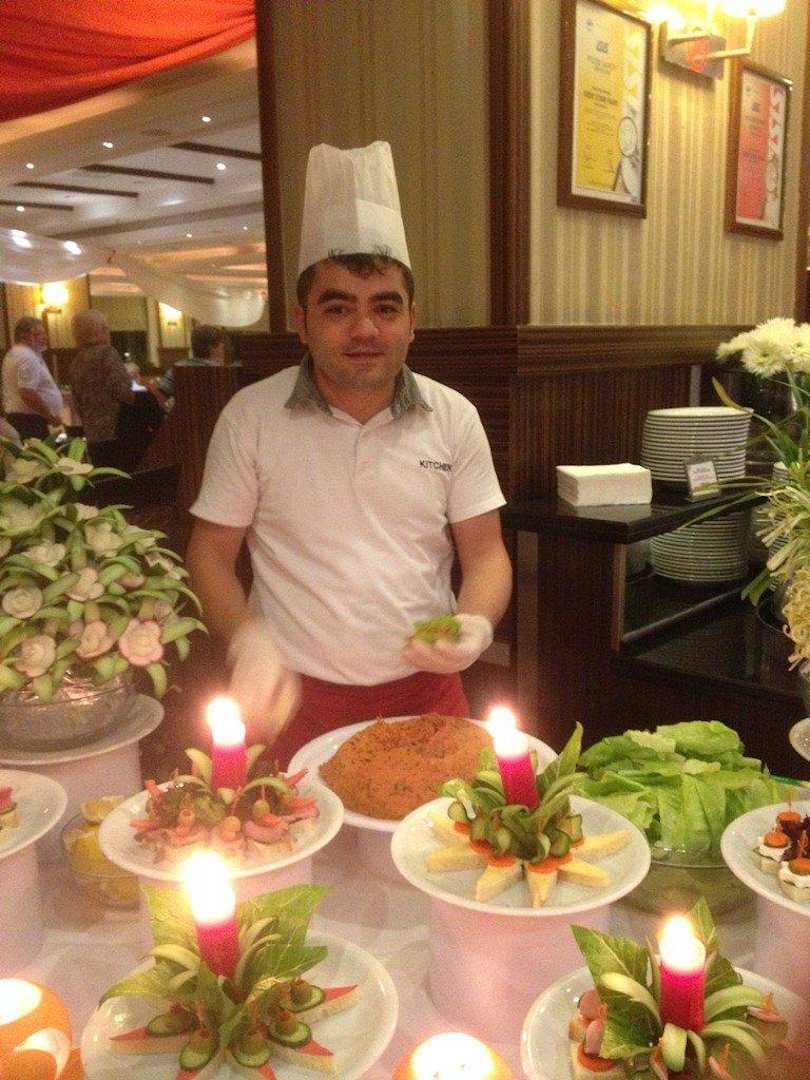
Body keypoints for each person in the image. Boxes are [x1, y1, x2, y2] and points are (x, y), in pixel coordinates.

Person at [186, 141, 512, 765]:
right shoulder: (250, 417)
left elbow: (485, 553)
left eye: (384, 308)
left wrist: (474, 622)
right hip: (292, 696)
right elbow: (209, 552)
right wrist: (247, 640)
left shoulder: (453, 416)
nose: (365, 329)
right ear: (302, 321)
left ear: (411, 321)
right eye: (338, 308)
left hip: (428, 690)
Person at [69, 310, 162, 471]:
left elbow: (76, 402)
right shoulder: (107, 353)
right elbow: (122, 393)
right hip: (118, 433)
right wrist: (148, 396)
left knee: (106, 478)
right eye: (106, 328)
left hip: (93, 435)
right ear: (100, 330)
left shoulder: (76, 362)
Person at [1, 316, 62, 440]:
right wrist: (50, 416)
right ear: (23, 336)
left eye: (44, 334)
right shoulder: (27, 357)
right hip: (30, 422)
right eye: (38, 334)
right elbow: (27, 393)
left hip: (21, 418)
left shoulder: (14, 353)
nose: (44, 338)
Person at [158, 324, 227, 405]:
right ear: (212, 347)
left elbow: (160, 398)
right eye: (221, 343)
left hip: (182, 413)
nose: (223, 347)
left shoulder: (176, 368)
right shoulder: (223, 373)